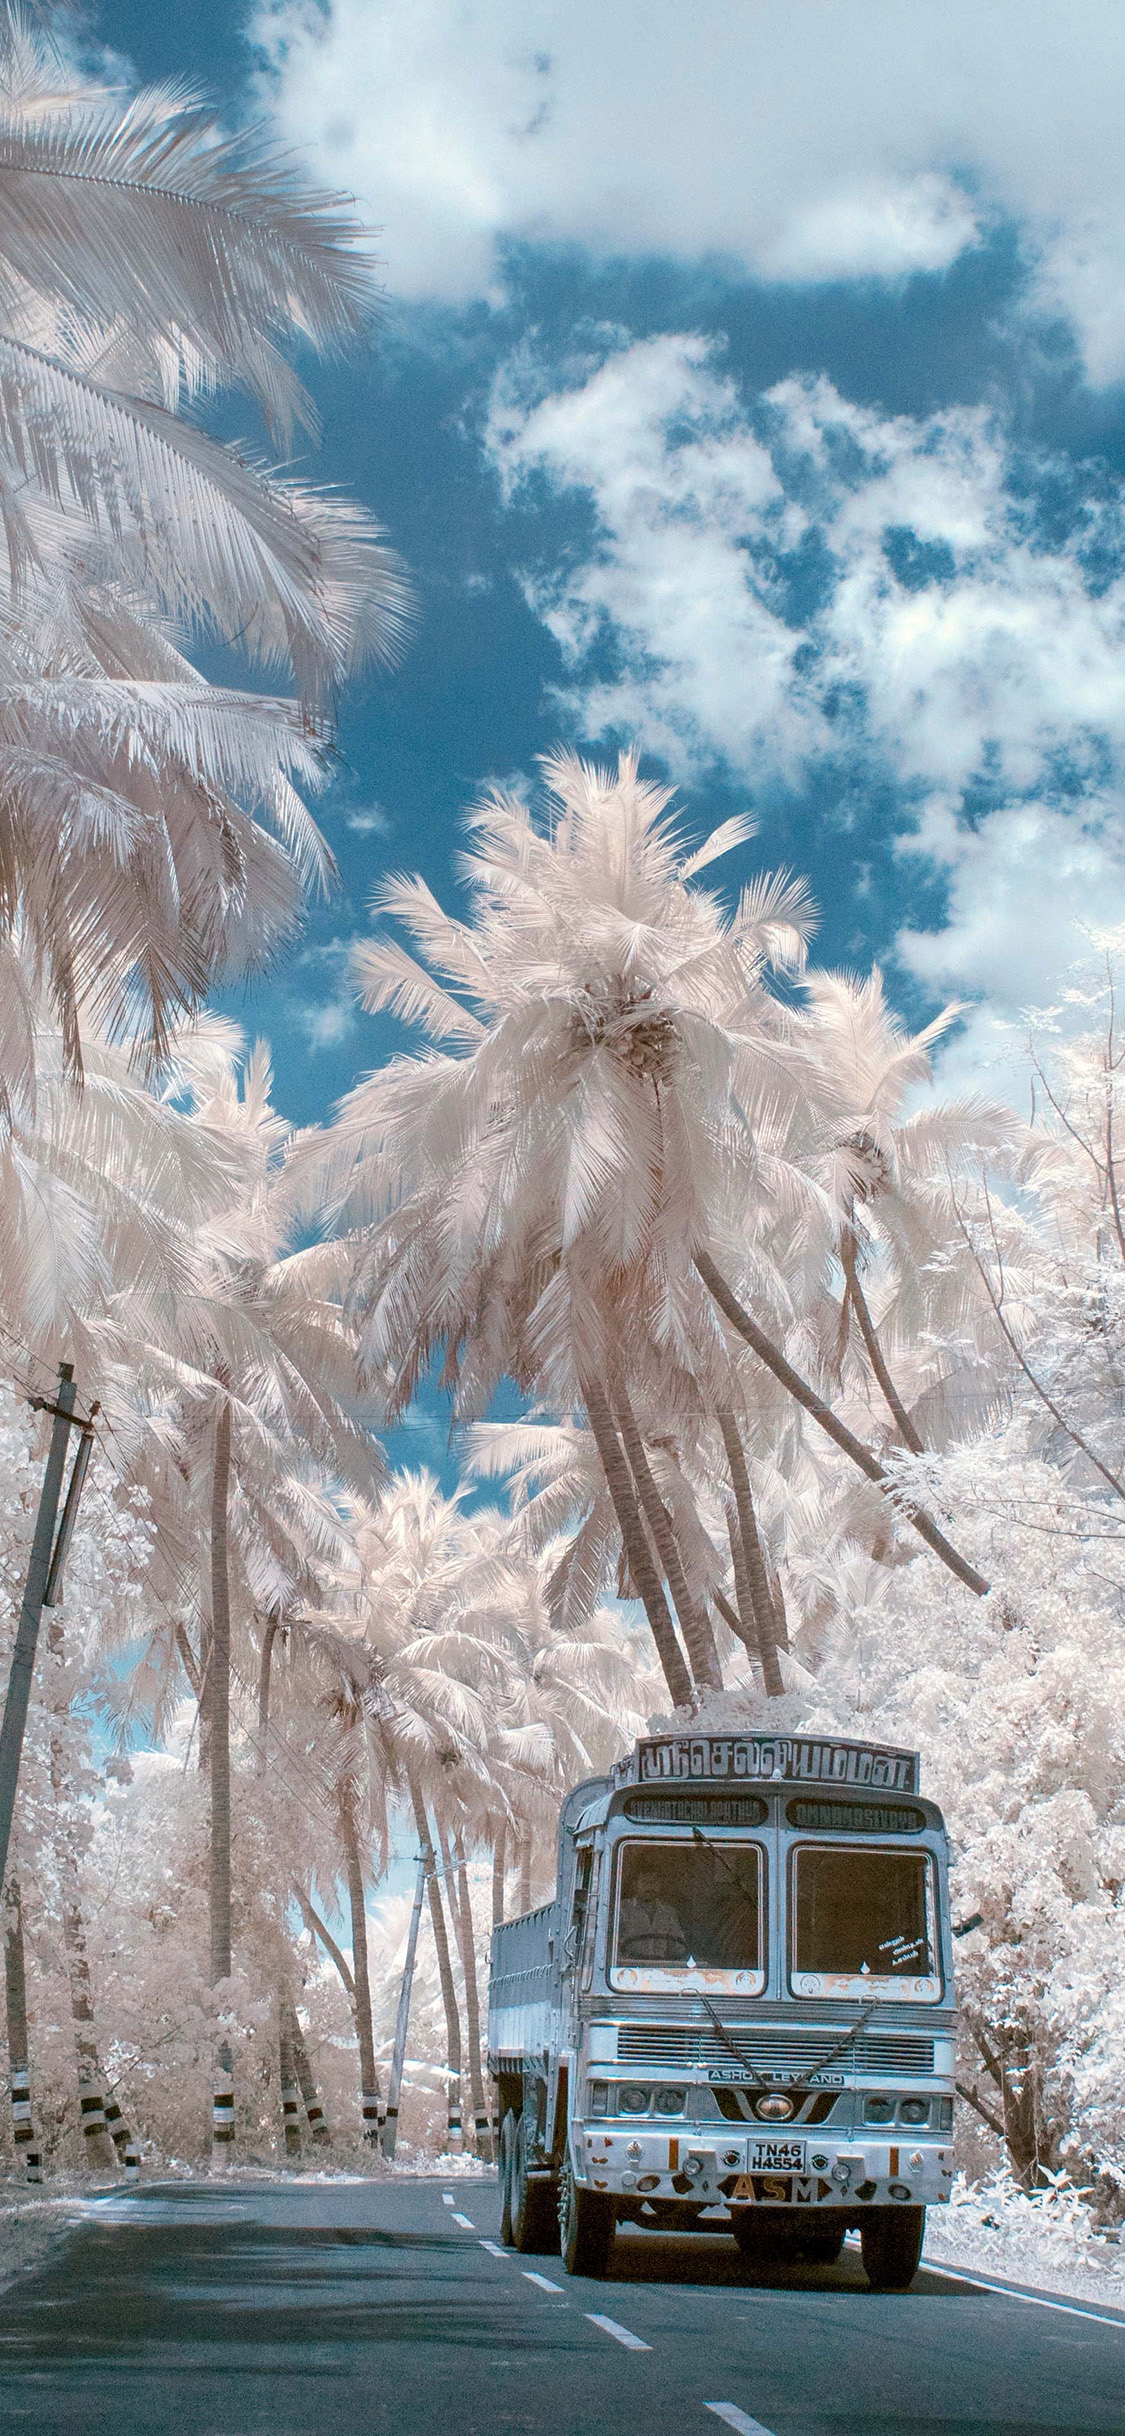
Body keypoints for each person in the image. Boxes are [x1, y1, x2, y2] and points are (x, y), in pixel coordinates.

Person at [618, 1859, 688, 1962]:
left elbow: (678, 1947)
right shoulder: (621, 1909)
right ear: (635, 1884)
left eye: (654, 1882)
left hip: (661, 1967)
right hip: (629, 1968)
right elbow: (612, 1946)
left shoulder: (668, 1912)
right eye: (645, 1882)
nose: (650, 1887)